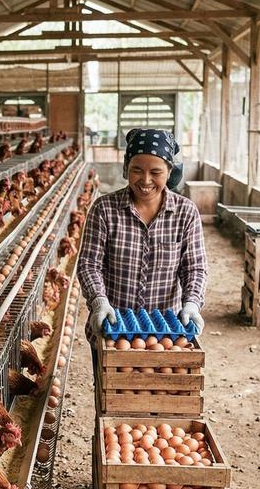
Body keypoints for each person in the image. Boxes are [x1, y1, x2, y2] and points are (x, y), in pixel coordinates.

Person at [76, 127, 207, 373]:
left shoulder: (186, 213)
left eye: (156, 172)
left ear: (170, 172)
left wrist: (192, 303)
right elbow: (89, 264)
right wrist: (99, 301)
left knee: (163, 400)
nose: (145, 180)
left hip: (165, 336)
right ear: (126, 168)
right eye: (137, 169)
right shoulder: (104, 209)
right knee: (112, 403)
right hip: (113, 332)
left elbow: (195, 268)